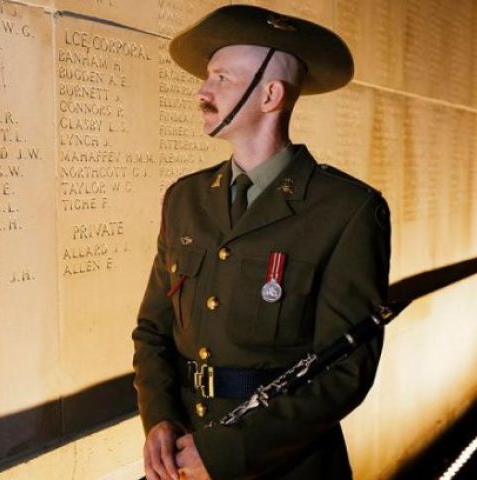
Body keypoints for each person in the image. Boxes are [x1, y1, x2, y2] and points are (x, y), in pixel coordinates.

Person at [132, 5, 391, 480]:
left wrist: (226, 452)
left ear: (271, 95)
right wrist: (160, 419)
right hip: (183, 458)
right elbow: (153, 330)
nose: (202, 91)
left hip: (287, 466)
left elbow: (345, 372)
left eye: (222, 78)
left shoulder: (347, 210)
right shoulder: (184, 199)